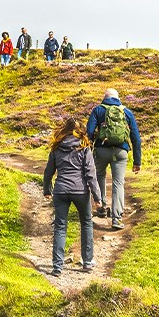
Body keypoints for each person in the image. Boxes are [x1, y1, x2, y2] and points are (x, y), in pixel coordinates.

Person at [42, 116, 104, 276]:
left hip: (61, 190)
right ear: (80, 130)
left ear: (65, 129)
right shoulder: (84, 147)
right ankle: (88, 262)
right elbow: (91, 174)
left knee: (60, 227)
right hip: (80, 191)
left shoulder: (56, 147)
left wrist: (47, 190)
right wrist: (98, 198)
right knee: (86, 223)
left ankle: (57, 267)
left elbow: (49, 171)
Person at [86, 88, 142, 231]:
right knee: (118, 182)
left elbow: (89, 133)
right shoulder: (127, 112)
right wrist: (137, 161)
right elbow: (136, 138)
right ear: (118, 98)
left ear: (105, 97)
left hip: (101, 150)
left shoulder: (98, 110)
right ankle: (116, 219)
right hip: (121, 151)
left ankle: (102, 206)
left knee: (99, 175)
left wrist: (86, 153)